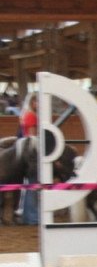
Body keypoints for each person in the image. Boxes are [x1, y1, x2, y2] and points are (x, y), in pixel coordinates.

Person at [17, 92, 39, 224]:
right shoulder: (32, 116)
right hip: (31, 154)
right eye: (37, 101)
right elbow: (33, 138)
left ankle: (28, 215)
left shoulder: (26, 115)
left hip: (26, 152)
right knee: (33, 184)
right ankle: (32, 217)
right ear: (32, 102)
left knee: (29, 185)